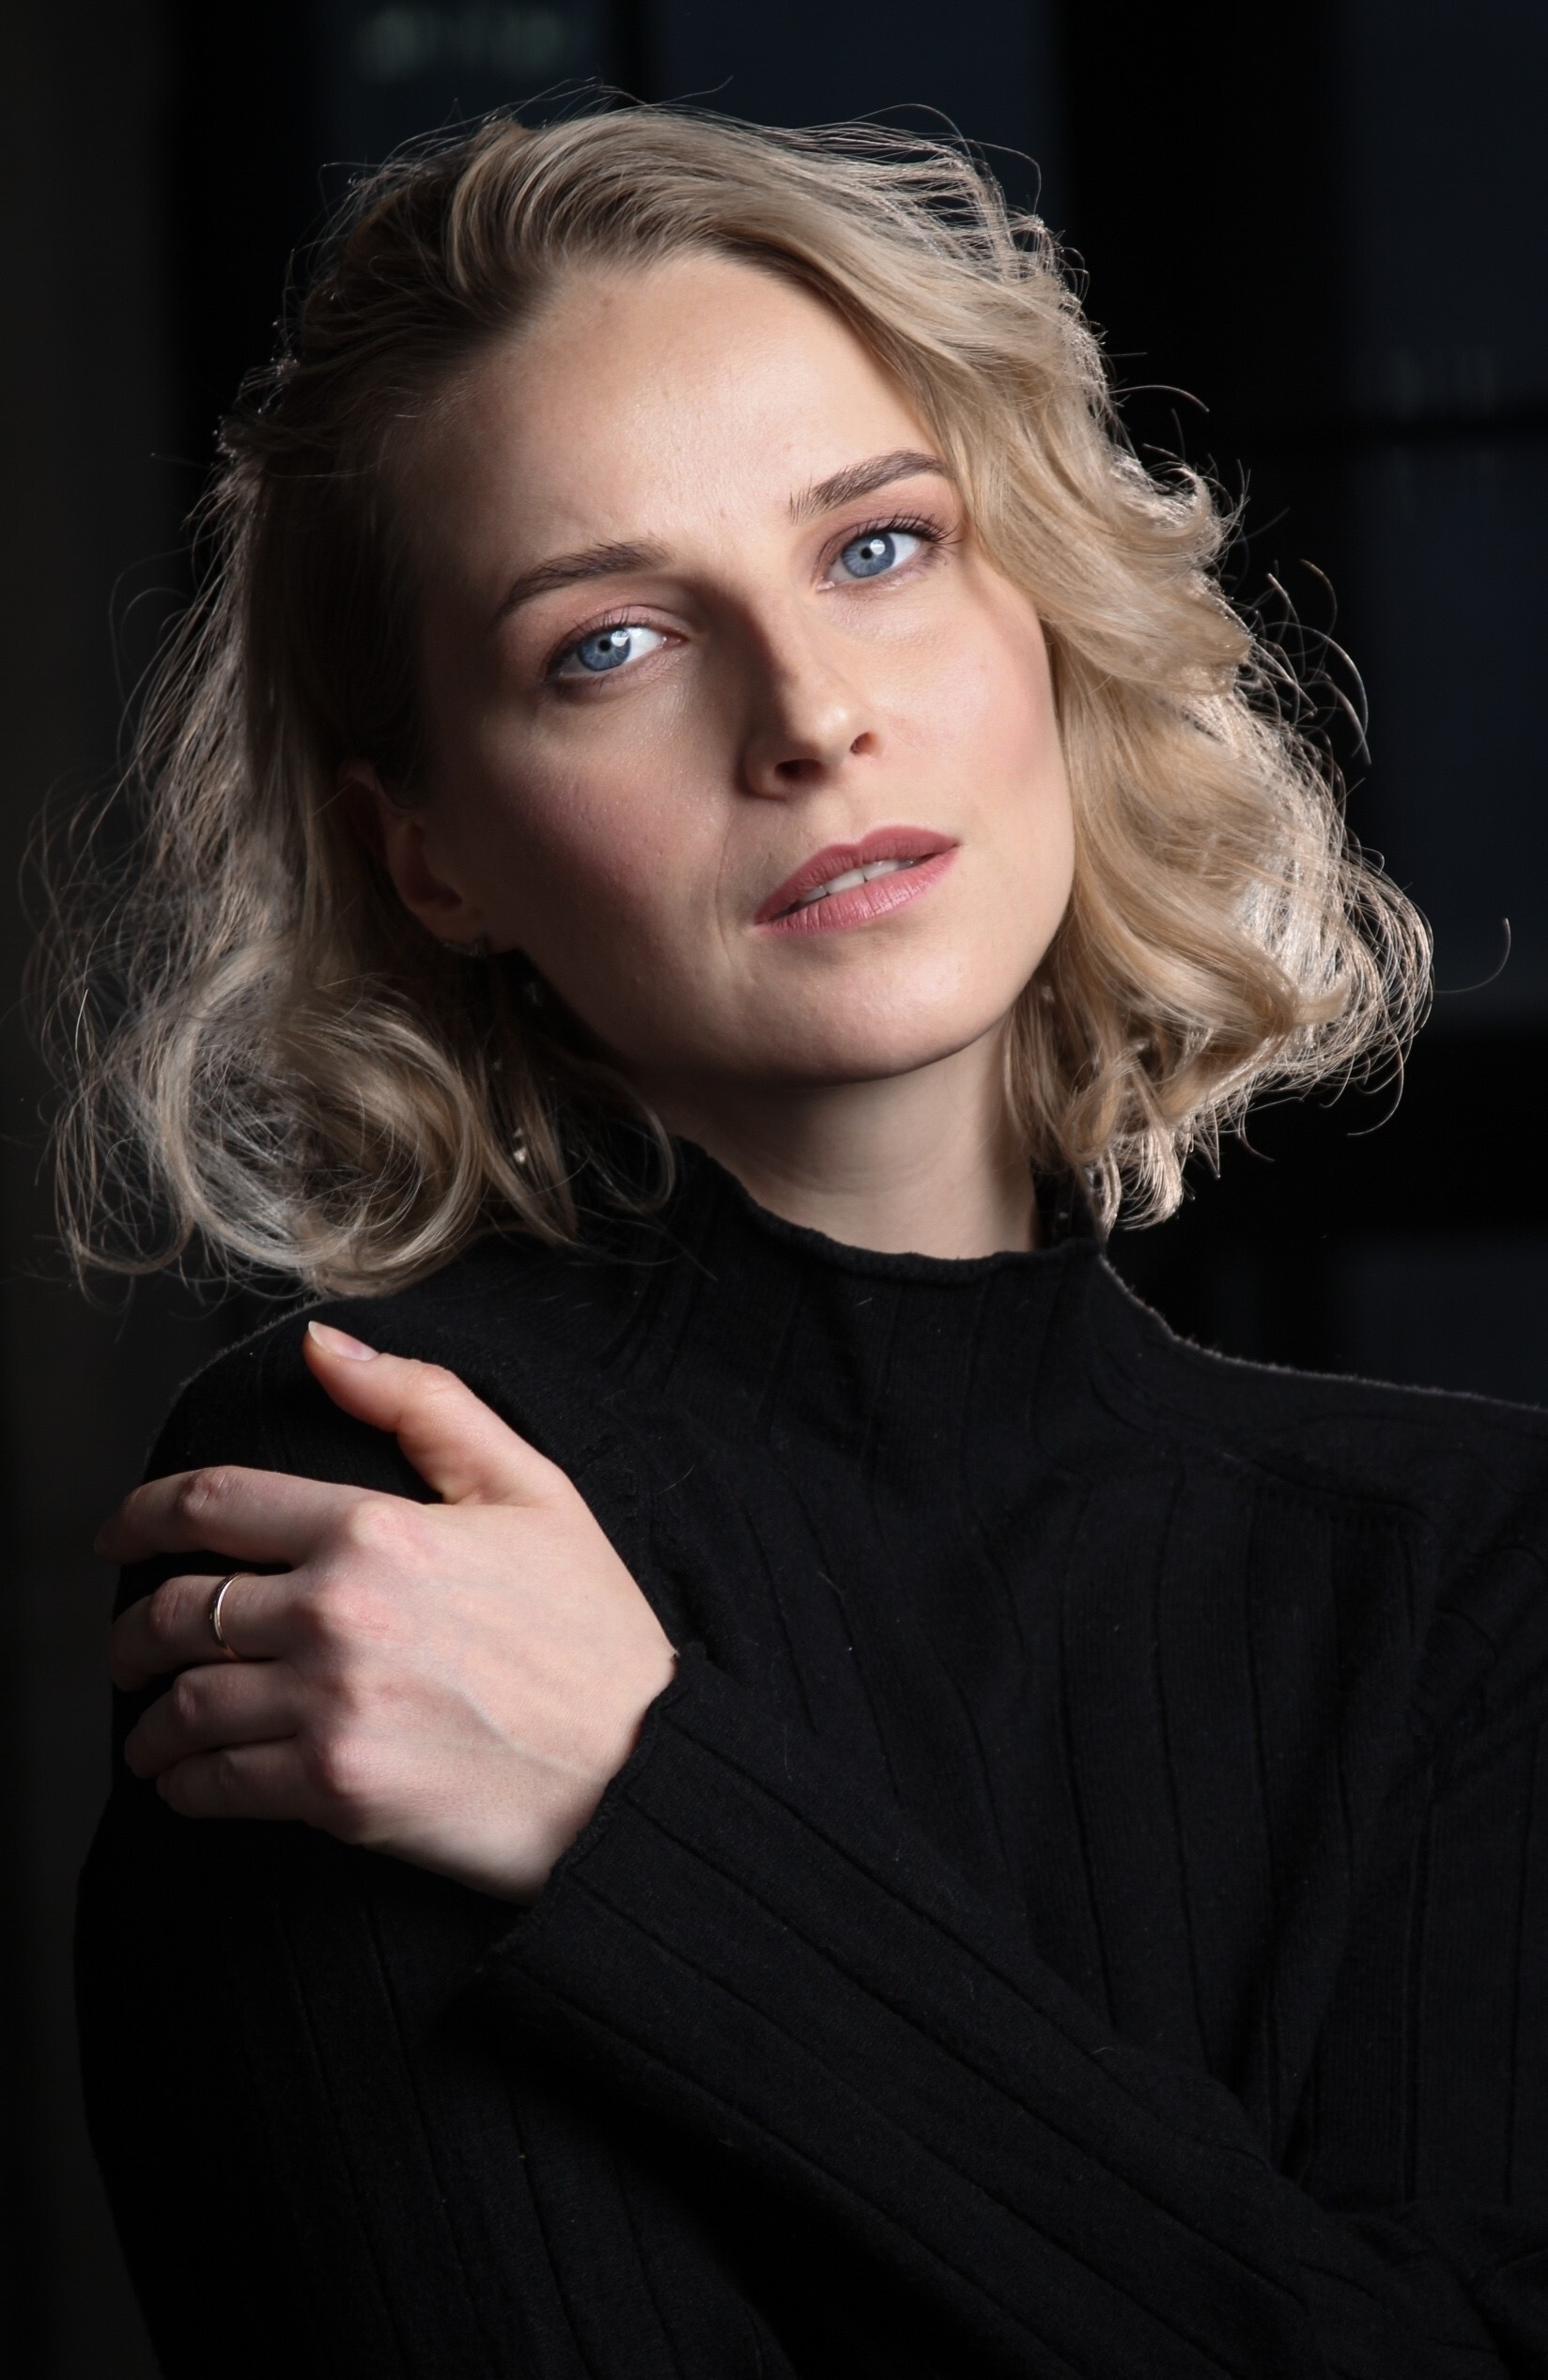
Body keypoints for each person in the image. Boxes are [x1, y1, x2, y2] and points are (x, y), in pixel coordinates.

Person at [49, 104, 1545, 2378]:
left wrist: (641, 1814)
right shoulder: (379, 1527)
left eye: (876, 546)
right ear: (431, 854)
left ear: (1039, 614)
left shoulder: (1471, 1567)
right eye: (609, 642)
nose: (810, 716)